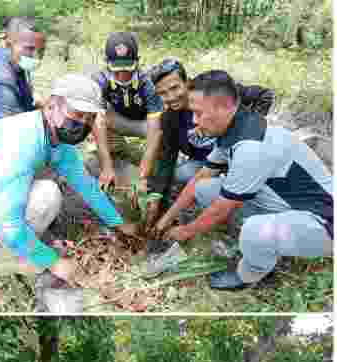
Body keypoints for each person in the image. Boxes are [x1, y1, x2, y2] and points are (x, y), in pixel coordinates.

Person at [149, 70, 333, 290]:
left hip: (324, 221)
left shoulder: (251, 149)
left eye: (199, 114)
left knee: (254, 231)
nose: (195, 122)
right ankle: (266, 242)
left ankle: (249, 275)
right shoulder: (234, 127)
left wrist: (185, 231)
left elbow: (222, 208)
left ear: (225, 107)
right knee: (205, 189)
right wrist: (166, 219)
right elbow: (200, 177)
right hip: (288, 200)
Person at [0, 74, 139, 289]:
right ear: (51, 105)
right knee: (47, 195)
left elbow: (86, 186)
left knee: (46, 188)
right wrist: (53, 262)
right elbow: (8, 222)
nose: (83, 123)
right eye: (77, 114)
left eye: (90, 118)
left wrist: (118, 223)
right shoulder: (24, 141)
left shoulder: (58, 141)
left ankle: (21, 247)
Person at [145, 58, 275, 226]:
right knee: (182, 174)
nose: (171, 97)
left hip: (237, 155)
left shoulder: (212, 93)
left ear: (187, 82)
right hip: (207, 162)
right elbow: (167, 159)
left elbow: (264, 95)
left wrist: (244, 130)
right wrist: (156, 197)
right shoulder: (170, 119)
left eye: (175, 88)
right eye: (162, 93)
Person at [90, 32, 164, 199]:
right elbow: (98, 123)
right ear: (107, 63)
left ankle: (150, 163)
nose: (122, 75)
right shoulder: (99, 81)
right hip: (118, 120)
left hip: (145, 124)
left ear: (137, 62)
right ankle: (119, 152)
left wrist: (143, 176)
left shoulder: (148, 83)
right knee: (99, 118)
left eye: (127, 69)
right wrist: (106, 167)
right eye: (117, 69)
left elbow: (155, 131)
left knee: (162, 131)